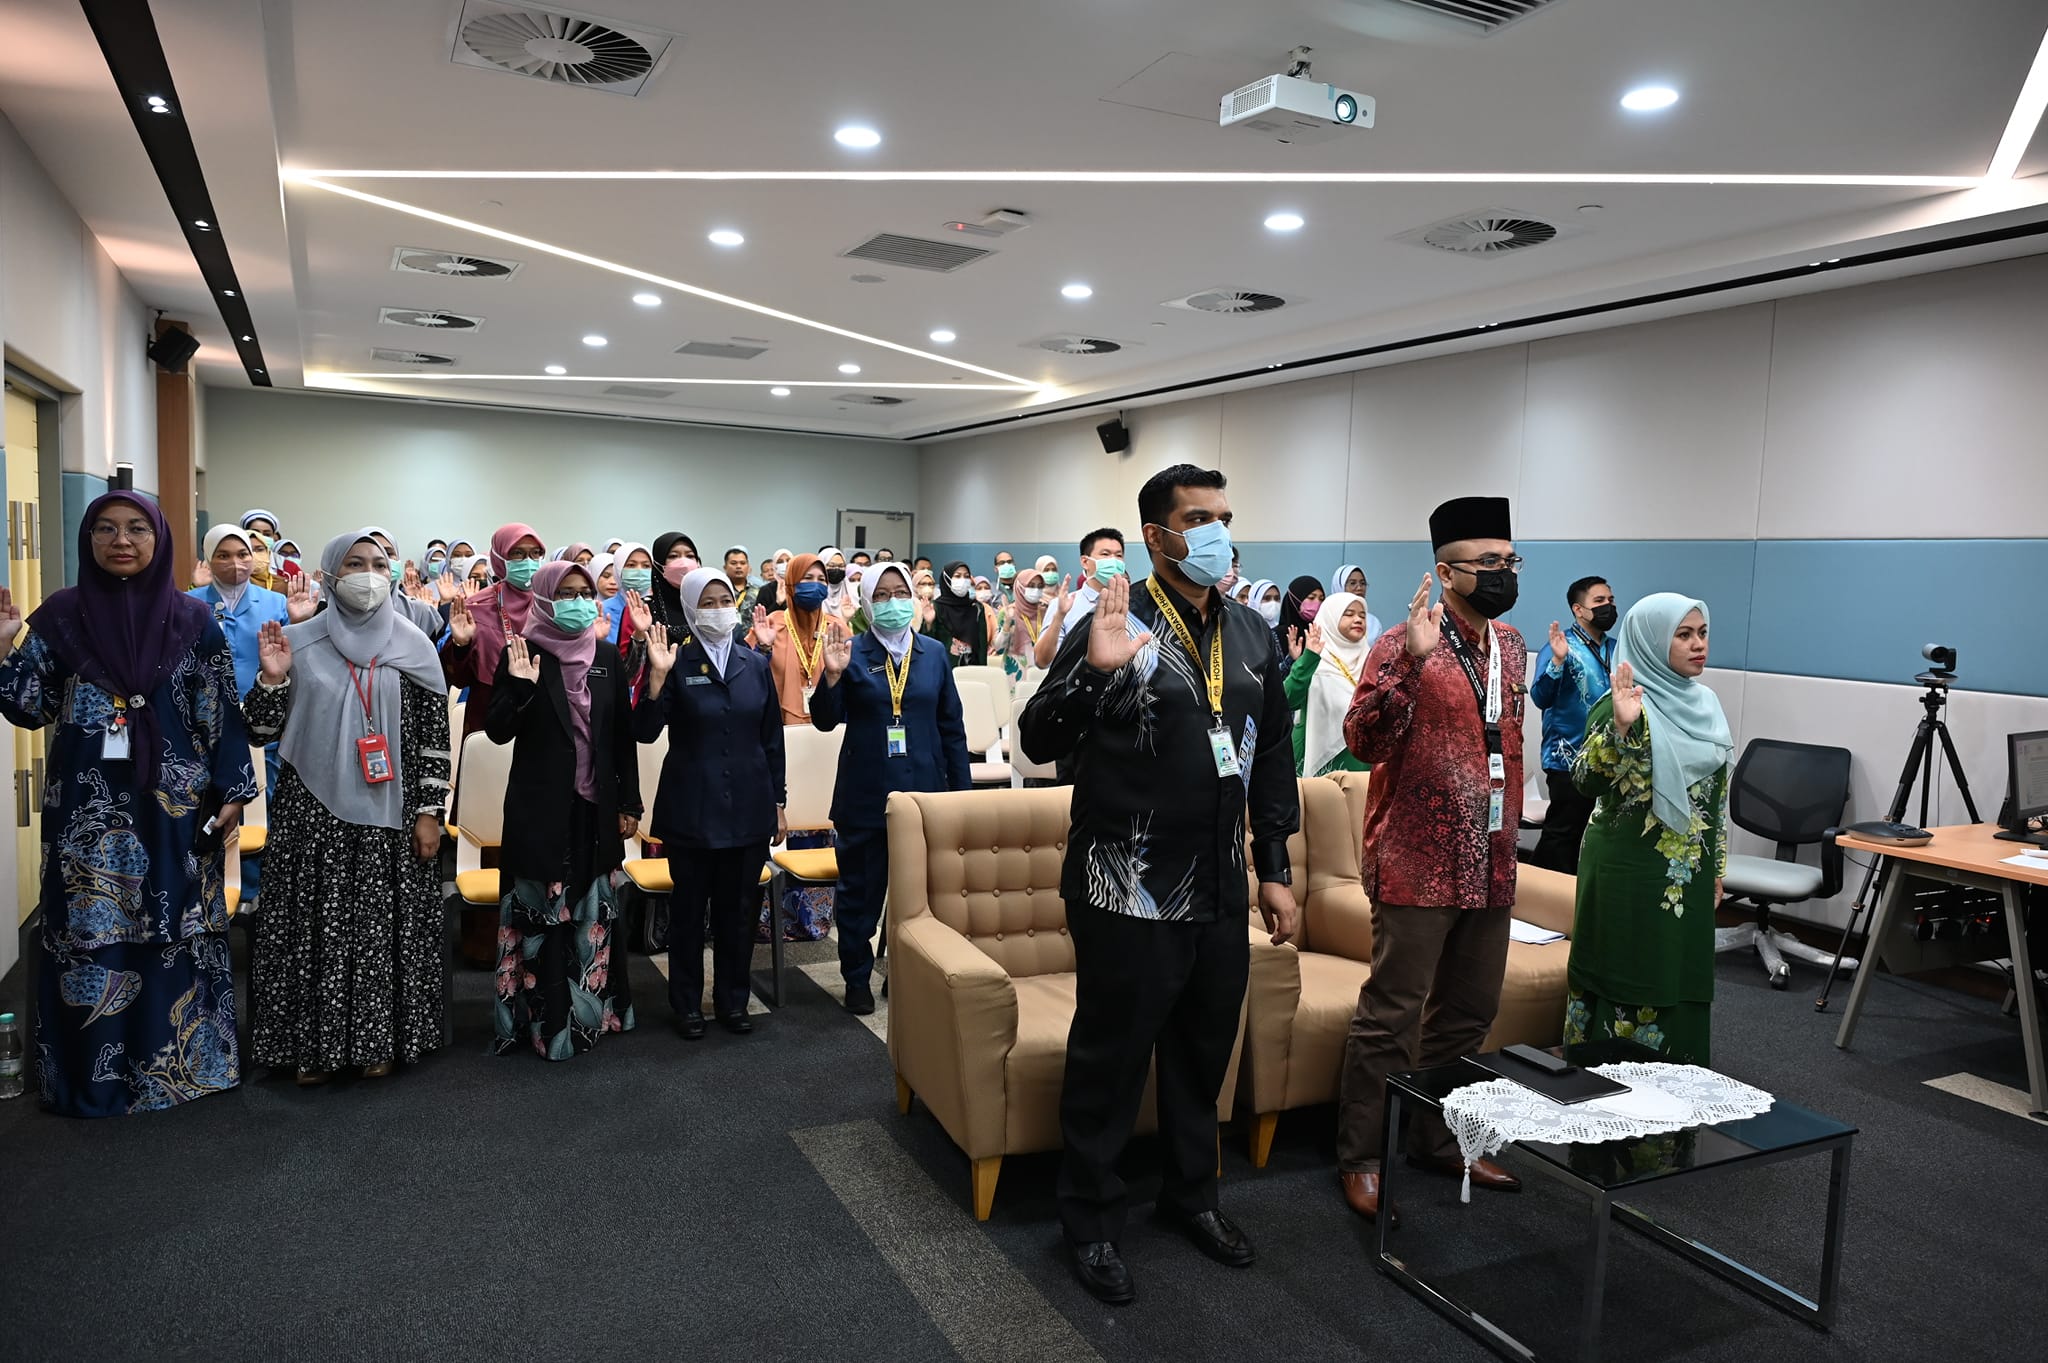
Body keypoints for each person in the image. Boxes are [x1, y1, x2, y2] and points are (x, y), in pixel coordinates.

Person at [1017, 464, 1299, 1304]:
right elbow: (1038, 737)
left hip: (1219, 883)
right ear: (1156, 534)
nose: (1218, 532)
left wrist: (1275, 867)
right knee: (1110, 1061)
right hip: (1126, 886)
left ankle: (1191, 1196)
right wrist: (1096, 673)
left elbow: (1272, 754)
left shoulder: (1252, 630)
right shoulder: (1114, 617)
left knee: (1202, 1053)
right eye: (1199, 517)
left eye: (1224, 515)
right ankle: (1091, 1219)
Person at [0, 494, 256, 1117]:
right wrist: (5, 650)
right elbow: (28, 709)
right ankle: (94, 1080)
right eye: (106, 529)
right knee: (90, 928)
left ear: (159, 539)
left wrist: (232, 789)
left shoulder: (193, 620)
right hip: (86, 810)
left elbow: (220, 711)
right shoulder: (60, 618)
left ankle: (183, 1070)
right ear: (88, 539)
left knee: (177, 925)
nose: (122, 540)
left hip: (175, 805)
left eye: (137, 528)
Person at [1334, 496, 1530, 1223]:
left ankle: (1439, 1137)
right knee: (1392, 1014)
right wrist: (1412, 665)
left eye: (1510, 560)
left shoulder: (1511, 645)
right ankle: (1360, 1156)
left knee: (1469, 1012)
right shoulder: (1401, 640)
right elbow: (1364, 741)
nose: (1503, 572)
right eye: (1488, 562)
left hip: (1492, 857)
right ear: (1446, 572)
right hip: (1418, 858)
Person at [246, 531, 450, 1085]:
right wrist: (271, 678)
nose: (368, 575)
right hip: (310, 818)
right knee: (312, 931)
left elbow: (434, 739)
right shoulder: (297, 642)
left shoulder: (414, 646)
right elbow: (259, 731)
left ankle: (376, 1041)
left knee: (379, 931)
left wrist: (430, 812)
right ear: (331, 575)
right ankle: (311, 1046)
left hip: (393, 817)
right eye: (355, 564)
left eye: (378, 564)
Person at [1564, 594, 1731, 1063]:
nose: (1698, 645)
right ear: (1651, 642)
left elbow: (1716, 798)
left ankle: (1676, 1086)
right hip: (1627, 873)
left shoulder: (1707, 705)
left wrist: (1717, 867)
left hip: (1687, 873)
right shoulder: (1621, 703)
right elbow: (1585, 781)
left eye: (1702, 633)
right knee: (1626, 974)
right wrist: (1621, 731)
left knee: (1680, 975)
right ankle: (1606, 1082)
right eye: (1684, 635)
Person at [487, 561, 641, 1058]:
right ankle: (547, 1028)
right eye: (566, 593)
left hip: (595, 810)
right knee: (543, 922)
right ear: (544, 599)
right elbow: (497, 731)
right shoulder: (522, 652)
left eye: (584, 592)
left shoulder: (605, 655)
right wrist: (522, 688)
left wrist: (630, 801)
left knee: (592, 916)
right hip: (541, 811)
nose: (577, 602)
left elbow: (622, 737)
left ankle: (592, 1018)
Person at [809, 562, 971, 1014]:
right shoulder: (850, 651)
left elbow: (952, 728)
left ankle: (905, 973)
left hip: (925, 795)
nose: (892, 602)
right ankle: (857, 977)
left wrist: (963, 796)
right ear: (866, 602)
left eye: (900, 592)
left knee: (918, 898)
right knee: (860, 895)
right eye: (881, 595)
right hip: (866, 793)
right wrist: (832, 677)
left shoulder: (933, 653)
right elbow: (824, 720)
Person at [638, 567, 786, 1037]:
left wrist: (779, 800)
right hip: (692, 808)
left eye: (725, 601)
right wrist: (655, 678)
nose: (719, 610)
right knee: (687, 914)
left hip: (748, 806)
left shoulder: (754, 664)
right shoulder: (674, 661)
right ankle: (686, 1005)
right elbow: (644, 730)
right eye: (708, 602)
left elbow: (772, 740)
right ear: (689, 608)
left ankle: (732, 1002)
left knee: (738, 913)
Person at [1530, 575, 1620, 874]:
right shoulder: (1560, 645)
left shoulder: (1617, 649)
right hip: (1567, 759)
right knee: (1562, 837)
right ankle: (1542, 895)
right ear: (1578, 609)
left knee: (1596, 838)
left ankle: (1580, 897)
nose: (1608, 606)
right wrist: (1558, 662)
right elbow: (1540, 697)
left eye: (1611, 600)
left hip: (1608, 760)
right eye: (1599, 601)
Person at [1283, 591, 1373, 778]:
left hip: (1362, 765)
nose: (1358, 619)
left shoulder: (1372, 662)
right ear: (1331, 618)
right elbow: (1287, 699)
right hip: (1321, 768)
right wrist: (1307, 659)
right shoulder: (1315, 661)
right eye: (1349, 614)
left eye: (1362, 616)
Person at [1049, 527, 1127, 654]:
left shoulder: (1131, 605)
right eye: (1105, 554)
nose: (1113, 560)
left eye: (1119, 555)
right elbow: (1047, 660)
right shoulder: (1063, 606)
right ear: (1085, 562)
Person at [928, 560, 990, 669]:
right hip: (944, 669)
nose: (963, 580)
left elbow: (982, 646)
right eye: (957, 576)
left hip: (972, 670)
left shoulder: (976, 608)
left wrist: (982, 671)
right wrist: (928, 623)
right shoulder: (936, 607)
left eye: (966, 576)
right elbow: (929, 645)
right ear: (946, 579)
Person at [995, 565, 1050, 682]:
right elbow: (998, 649)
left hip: (1042, 673)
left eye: (1040, 586)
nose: (1036, 590)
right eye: (1031, 586)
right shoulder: (1007, 612)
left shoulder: (1045, 611)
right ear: (1019, 587)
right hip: (1015, 675)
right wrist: (1007, 623)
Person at [603, 542, 653, 646]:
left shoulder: (659, 607)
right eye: (631, 565)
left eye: (646, 566)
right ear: (618, 569)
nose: (639, 571)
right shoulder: (603, 610)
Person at [1328, 565, 1384, 647]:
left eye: (1363, 583)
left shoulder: (1373, 623)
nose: (1359, 588)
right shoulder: (1329, 618)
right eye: (1353, 583)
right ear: (1339, 586)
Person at [1277, 576, 1324, 657]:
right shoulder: (1276, 636)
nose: (1317, 603)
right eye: (1311, 598)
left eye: (1321, 599)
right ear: (1295, 600)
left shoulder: (1321, 633)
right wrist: (1292, 658)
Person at [755, 547, 794, 616]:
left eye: (788, 560)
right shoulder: (766, 590)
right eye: (780, 562)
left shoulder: (800, 586)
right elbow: (760, 617)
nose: (785, 564)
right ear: (775, 566)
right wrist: (778, 603)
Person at [722, 545, 758, 615]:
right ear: (725, 567)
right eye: (733, 563)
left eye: (742, 563)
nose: (738, 566)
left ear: (748, 567)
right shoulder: (719, 591)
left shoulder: (758, 591)